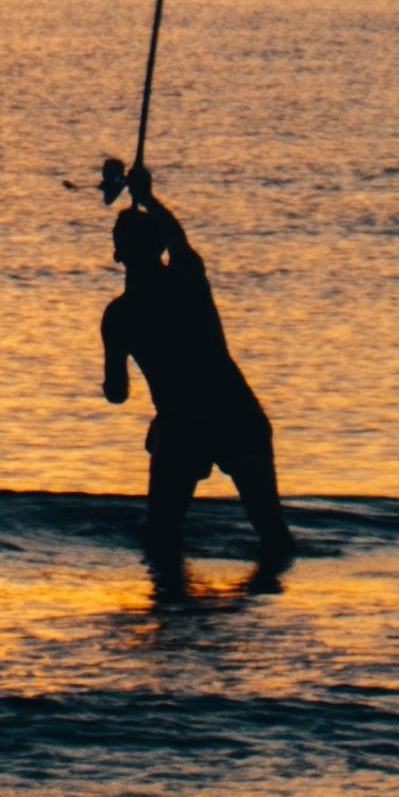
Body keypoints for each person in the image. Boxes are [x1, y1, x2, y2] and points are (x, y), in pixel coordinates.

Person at [97, 169, 290, 594]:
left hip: (186, 427)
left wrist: (146, 200)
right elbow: (179, 240)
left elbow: (117, 393)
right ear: (159, 248)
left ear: (117, 255)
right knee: (272, 534)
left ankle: (178, 610)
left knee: (162, 540)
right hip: (232, 415)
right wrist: (149, 199)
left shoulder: (121, 316)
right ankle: (267, 597)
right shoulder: (187, 280)